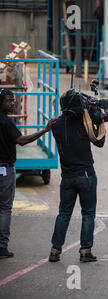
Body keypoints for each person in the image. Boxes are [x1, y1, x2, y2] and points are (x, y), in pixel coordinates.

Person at [48, 91, 105, 263]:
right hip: (86, 174)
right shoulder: (84, 123)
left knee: (63, 213)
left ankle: (55, 250)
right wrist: (99, 119)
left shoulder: (56, 125)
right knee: (88, 213)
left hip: (67, 177)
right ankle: (85, 250)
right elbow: (100, 142)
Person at [0, 89, 56, 259]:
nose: (13, 103)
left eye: (13, 100)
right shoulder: (6, 122)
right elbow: (22, 141)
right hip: (4, 171)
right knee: (5, 208)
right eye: (9, 100)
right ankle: (2, 246)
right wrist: (45, 130)